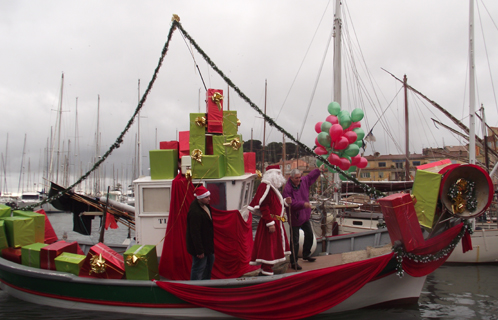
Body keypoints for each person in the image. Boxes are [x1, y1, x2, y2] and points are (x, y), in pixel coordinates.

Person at [248, 165, 291, 276]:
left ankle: (265, 271)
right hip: (271, 222)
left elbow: (273, 204)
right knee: (269, 248)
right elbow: (264, 205)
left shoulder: (272, 187)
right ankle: (266, 272)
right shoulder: (266, 186)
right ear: (272, 174)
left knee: (272, 248)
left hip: (275, 221)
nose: (280, 176)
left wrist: (285, 202)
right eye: (278, 174)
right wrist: (269, 223)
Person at [283, 165, 325, 270]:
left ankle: (306, 254)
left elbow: (310, 177)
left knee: (309, 235)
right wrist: (303, 204)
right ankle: (293, 262)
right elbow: (290, 204)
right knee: (295, 241)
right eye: (296, 178)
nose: (298, 180)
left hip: (305, 215)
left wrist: (318, 170)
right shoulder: (287, 189)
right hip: (295, 218)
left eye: (299, 177)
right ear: (291, 178)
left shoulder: (303, 181)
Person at [186, 185, 215, 280]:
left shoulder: (204, 206)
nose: (209, 199)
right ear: (200, 198)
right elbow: (195, 233)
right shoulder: (195, 212)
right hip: (201, 247)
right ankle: (195, 287)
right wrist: (199, 251)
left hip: (207, 245)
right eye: (207, 197)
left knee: (208, 265)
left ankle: (206, 284)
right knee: (199, 268)